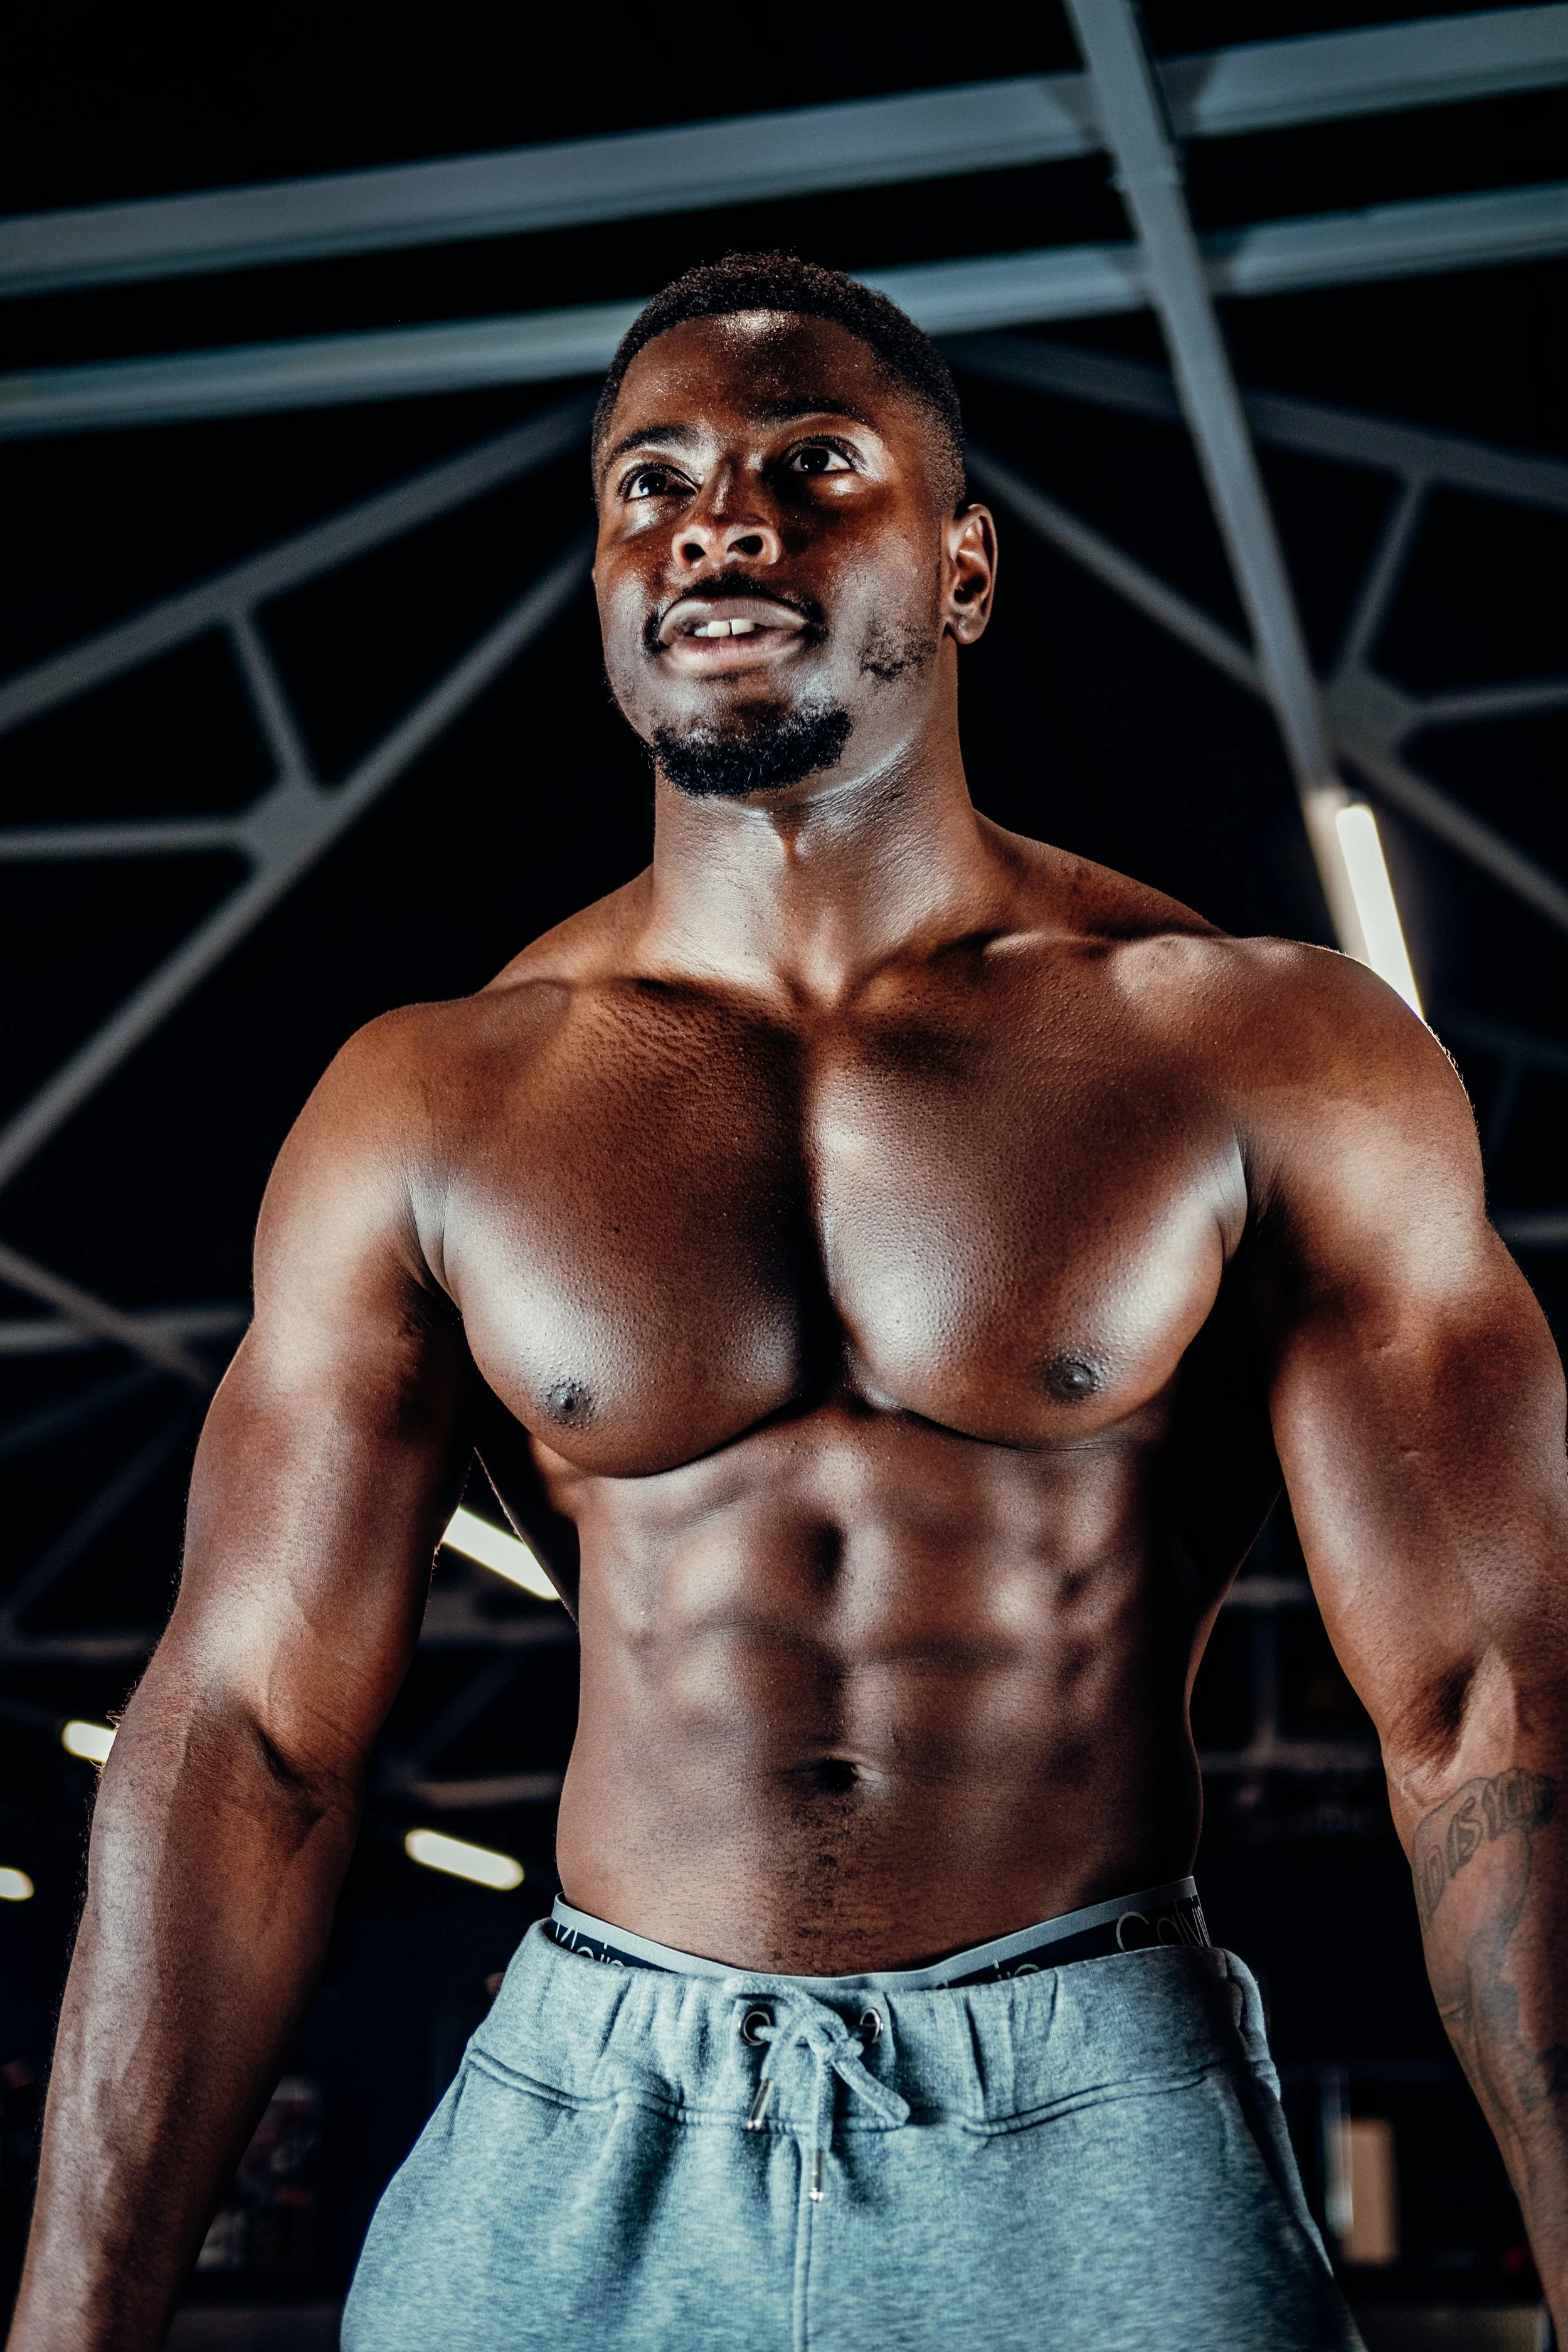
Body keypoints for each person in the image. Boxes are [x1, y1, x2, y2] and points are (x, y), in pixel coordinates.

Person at [9, 253, 1568, 2352]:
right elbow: (247, 1737)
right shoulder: (436, 1098)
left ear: (964, 569)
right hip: (588, 2105)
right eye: (647, 483)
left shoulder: (1255, 1051)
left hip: (1082, 2102)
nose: (712, 521)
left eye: (807, 465)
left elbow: (1490, 1708)